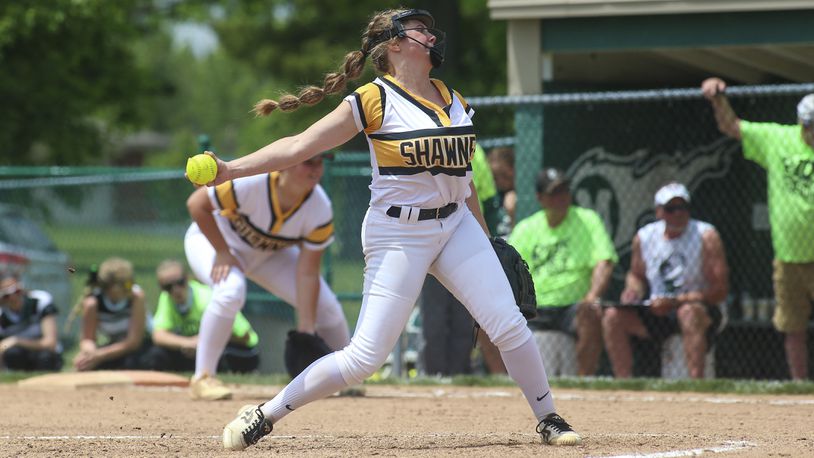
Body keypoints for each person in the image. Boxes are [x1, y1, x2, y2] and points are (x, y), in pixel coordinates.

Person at [202, 8, 581, 450]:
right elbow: (299, 146)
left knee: (508, 324)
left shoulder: (450, 96)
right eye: (419, 28)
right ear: (395, 45)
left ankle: (549, 417)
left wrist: (486, 236)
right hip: (397, 233)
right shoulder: (373, 99)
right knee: (364, 358)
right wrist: (230, 169)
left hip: (456, 224)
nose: (430, 33)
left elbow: (465, 178)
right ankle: (264, 414)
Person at [185, 152, 350, 400]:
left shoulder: (319, 208)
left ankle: (346, 375)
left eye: (320, 162)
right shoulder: (253, 183)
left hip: (269, 256)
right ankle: (203, 377)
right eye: (309, 161)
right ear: (283, 165)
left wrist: (305, 331)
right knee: (231, 291)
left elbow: (307, 273)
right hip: (215, 242)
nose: (316, 168)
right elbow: (196, 204)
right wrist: (221, 251)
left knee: (326, 307)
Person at [702, 78, 814, 380]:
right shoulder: (779, 139)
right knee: (793, 327)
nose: (812, 132)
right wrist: (717, 99)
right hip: (789, 257)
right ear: (801, 123)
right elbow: (732, 126)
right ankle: (800, 385)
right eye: (810, 126)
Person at [602, 183, 729, 379]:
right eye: (671, 209)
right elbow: (636, 275)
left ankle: (696, 384)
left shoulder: (706, 236)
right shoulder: (645, 237)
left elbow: (720, 290)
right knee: (612, 316)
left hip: (699, 309)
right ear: (659, 212)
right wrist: (632, 291)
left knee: (688, 313)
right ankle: (623, 382)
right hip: (658, 310)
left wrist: (676, 302)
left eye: (683, 208)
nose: (678, 214)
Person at [509, 168, 617, 376]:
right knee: (488, 319)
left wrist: (593, 296)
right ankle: (502, 380)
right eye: (554, 192)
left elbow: (605, 261)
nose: (562, 197)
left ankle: (582, 382)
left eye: (565, 191)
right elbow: (508, 270)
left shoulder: (587, 220)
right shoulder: (526, 228)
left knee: (590, 312)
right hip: (535, 308)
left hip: (573, 307)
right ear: (540, 198)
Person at [418, 144, 496, 377]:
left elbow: (489, 201)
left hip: (464, 235)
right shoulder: (426, 140)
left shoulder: (475, 150)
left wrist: (486, 237)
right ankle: (433, 374)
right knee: (434, 315)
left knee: (464, 314)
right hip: (431, 234)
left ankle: (459, 373)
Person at [148, 259, 260, 374]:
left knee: (217, 356)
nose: (175, 290)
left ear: (187, 278)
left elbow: (244, 336)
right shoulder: (167, 298)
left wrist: (204, 343)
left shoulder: (206, 297)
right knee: (156, 354)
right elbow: (158, 335)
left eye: (180, 283)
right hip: (196, 348)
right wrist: (188, 343)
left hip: (240, 351)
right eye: (167, 287)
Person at [72, 257, 153, 371]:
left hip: (139, 347)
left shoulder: (136, 297)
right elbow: (87, 339)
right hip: (114, 347)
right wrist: (90, 355)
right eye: (127, 284)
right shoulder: (93, 303)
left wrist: (100, 356)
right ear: (109, 287)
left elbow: (134, 342)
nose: (130, 287)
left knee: (137, 362)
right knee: (85, 364)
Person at [0, 273, 63, 371]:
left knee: (44, 356)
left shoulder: (40, 301)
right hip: (19, 359)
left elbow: (51, 343)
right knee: (13, 353)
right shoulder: (2, 315)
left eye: (16, 291)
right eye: (6, 295)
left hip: (45, 356)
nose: (13, 297)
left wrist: (16, 341)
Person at [488, 146, 517, 237]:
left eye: (504, 175)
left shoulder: (525, 194)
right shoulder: (491, 196)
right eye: (495, 177)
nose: (500, 181)